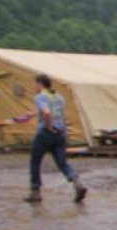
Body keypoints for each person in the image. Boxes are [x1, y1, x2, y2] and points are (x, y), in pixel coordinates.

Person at [24, 74, 87, 203]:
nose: (34, 87)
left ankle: (35, 192)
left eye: (35, 84)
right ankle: (77, 182)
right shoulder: (58, 97)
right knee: (62, 162)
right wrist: (35, 114)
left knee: (35, 162)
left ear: (40, 84)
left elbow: (47, 112)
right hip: (60, 133)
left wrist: (48, 126)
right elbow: (55, 112)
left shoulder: (40, 96)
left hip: (45, 133)